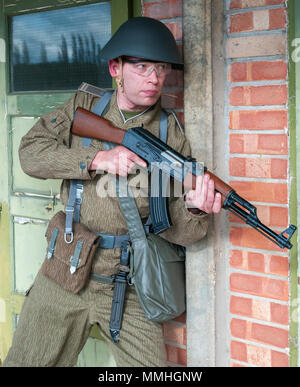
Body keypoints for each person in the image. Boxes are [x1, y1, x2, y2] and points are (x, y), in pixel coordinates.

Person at [3, 16, 221, 367]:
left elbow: (177, 229)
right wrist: (97, 158)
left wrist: (195, 208)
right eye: (142, 67)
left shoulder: (170, 135)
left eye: (162, 68)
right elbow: (30, 154)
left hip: (129, 280)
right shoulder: (84, 107)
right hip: (65, 267)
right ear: (115, 68)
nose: (154, 78)